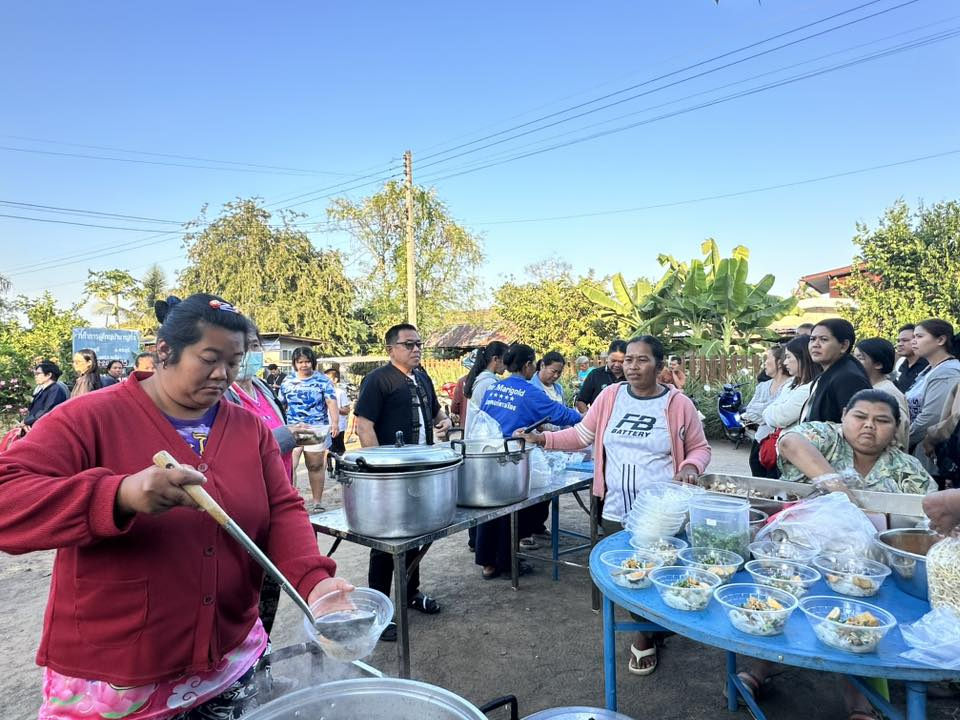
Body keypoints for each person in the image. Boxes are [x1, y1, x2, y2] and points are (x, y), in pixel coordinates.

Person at [0, 293, 351, 719]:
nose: (223, 375)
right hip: (121, 675)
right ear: (164, 351)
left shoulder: (248, 428)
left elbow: (281, 509)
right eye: (209, 358)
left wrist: (314, 582)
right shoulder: (88, 418)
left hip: (231, 656)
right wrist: (119, 496)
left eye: (234, 362)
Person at [519, 335, 710, 675]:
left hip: (661, 513)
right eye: (629, 360)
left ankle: (645, 636)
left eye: (642, 360)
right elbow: (581, 436)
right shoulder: (610, 396)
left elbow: (699, 448)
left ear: (660, 366)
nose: (632, 366)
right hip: (615, 507)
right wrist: (543, 439)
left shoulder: (679, 405)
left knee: (659, 570)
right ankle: (651, 626)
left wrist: (690, 466)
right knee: (629, 573)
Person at [353, 323, 452, 641]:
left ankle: (410, 594)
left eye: (418, 343)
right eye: (408, 344)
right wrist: (378, 470)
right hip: (389, 478)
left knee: (416, 535)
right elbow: (364, 427)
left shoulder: (423, 377)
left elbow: (437, 414)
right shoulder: (377, 380)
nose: (416, 349)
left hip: (421, 473)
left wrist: (446, 422)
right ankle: (377, 612)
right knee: (384, 543)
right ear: (391, 349)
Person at [476, 344, 582, 578]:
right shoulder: (529, 391)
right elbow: (561, 413)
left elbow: (483, 418)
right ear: (527, 365)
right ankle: (505, 563)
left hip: (487, 454)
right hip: (513, 456)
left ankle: (487, 563)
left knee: (490, 508)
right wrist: (588, 420)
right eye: (533, 364)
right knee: (513, 510)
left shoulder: (495, 388)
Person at [778, 389, 936, 494]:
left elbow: (927, 516)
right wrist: (840, 492)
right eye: (860, 417)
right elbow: (790, 443)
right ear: (844, 415)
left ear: (896, 427)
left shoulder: (907, 468)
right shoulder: (828, 437)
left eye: (881, 420)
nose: (869, 425)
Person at [279, 347, 339, 513]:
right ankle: (290, 500)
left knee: (314, 465)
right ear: (295, 364)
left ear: (312, 362)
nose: (304, 365)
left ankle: (317, 502)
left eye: (307, 361)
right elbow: (280, 404)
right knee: (290, 464)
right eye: (300, 362)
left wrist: (335, 422)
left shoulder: (322, 381)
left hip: (316, 428)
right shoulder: (287, 381)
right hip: (293, 428)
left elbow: (331, 402)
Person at [759, 336, 821, 473]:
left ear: (802, 358)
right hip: (779, 450)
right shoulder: (790, 384)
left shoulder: (809, 388)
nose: (785, 362)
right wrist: (771, 411)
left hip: (794, 455)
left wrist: (770, 411)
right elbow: (771, 413)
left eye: (788, 357)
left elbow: (780, 418)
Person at [906, 319, 960, 477]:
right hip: (919, 447)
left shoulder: (948, 372)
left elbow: (932, 418)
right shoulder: (930, 369)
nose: (913, 341)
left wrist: (901, 439)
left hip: (929, 450)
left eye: (920, 336)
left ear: (940, 340)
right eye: (913, 336)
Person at [803, 319, 871, 423]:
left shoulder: (849, 378)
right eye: (812, 339)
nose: (815, 344)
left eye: (824, 339)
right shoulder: (829, 372)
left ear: (844, 345)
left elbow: (856, 424)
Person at [742, 346, 791, 478]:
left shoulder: (792, 386)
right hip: (759, 441)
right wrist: (770, 411)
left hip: (778, 445)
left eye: (767, 358)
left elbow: (781, 415)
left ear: (780, 362)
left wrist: (766, 411)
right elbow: (750, 411)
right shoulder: (763, 386)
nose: (764, 363)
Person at [853, 338, 910, 449]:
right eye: (854, 357)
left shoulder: (887, 393)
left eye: (860, 358)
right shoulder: (870, 388)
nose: (854, 363)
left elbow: (898, 435)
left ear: (878, 364)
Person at [462, 341, 508, 425]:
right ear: (495, 359)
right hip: (484, 434)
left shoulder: (481, 378)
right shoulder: (489, 383)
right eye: (505, 361)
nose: (507, 366)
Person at [575, 339, 626, 413]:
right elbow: (581, 401)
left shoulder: (632, 377)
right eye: (613, 360)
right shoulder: (595, 375)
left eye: (621, 361)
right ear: (607, 357)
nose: (617, 365)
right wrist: (590, 419)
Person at [23, 361, 68, 428]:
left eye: (38, 374)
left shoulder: (56, 390)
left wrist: (26, 421)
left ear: (48, 375)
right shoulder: (43, 389)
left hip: (48, 429)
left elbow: (46, 411)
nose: (35, 376)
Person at [324, 367, 352, 457]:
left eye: (328, 379)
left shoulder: (340, 393)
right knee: (326, 451)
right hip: (324, 427)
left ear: (335, 380)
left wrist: (334, 407)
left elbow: (347, 410)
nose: (325, 381)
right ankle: (329, 468)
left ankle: (339, 468)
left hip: (338, 427)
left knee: (339, 451)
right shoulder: (321, 392)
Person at [894, 324, 928, 393]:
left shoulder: (928, 365)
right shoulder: (900, 363)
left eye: (905, 340)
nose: (899, 344)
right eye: (898, 341)